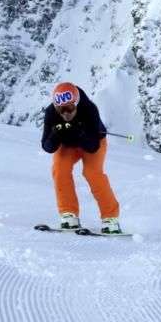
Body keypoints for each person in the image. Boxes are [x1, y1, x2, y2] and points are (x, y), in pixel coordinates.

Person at [40, 82, 122, 234]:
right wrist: (55, 134)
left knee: (92, 172)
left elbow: (93, 147)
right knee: (59, 169)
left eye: (69, 108)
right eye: (61, 109)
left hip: (92, 142)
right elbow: (47, 147)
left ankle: (110, 217)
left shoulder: (89, 110)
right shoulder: (51, 113)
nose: (65, 113)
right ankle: (68, 213)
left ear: (77, 104)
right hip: (67, 145)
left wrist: (80, 131)